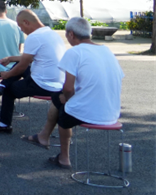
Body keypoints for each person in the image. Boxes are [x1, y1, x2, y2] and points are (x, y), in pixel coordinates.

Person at [25, 18, 124, 169]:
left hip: (90, 113)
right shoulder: (107, 51)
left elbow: (68, 88)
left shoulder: (74, 52)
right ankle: (43, 136)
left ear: (71, 34)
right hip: (112, 112)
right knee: (58, 98)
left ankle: (64, 157)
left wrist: (67, 98)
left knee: (64, 109)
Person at [0, 9, 66, 133]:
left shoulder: (34, 37)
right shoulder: (52, 33)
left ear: (26, 22)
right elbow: (30, 58)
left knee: (9, 90)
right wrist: (11, 58)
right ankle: (1, 86)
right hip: (60, 83)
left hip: (43, 84)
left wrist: (7, 74)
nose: (21, 30)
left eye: (21, 26)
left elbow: (23, 66)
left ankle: (4, 124)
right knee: (18, 65)